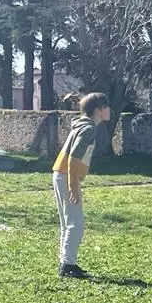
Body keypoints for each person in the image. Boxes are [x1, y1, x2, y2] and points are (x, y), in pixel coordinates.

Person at [52, 91, 110, 279]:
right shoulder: (89, 129)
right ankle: (67, 266)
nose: (110, 110)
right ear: (99, 110)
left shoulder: (83, 124)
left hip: (60, 174)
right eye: (106, 106)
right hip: (67, 175)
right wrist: (73, 186)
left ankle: (66, 262)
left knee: (68, 223)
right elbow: (74, 158)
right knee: (75, 224)